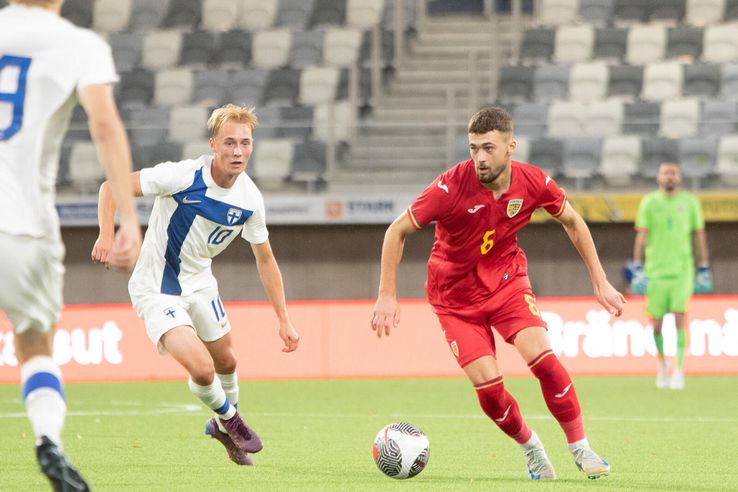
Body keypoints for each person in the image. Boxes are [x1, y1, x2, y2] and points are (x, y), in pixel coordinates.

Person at [371, 107, 625, 481]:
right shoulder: (449, 187)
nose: (479, 158)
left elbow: (572, 220)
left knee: (544, 361)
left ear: (511, 147)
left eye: (488, 148)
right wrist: (386, 293)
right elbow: (397, 231)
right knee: (490, 389)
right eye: (473, 148)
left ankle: (580, 448)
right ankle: (531, 448)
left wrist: (600, 280)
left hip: (507, 283)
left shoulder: (534, 182)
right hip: (454, 300)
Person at [92, 103, 300, 466]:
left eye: (245, 143)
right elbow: (112, 187)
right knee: (202, 369)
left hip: (201, 284)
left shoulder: (250, 200)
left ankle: (222, 427)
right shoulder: (183, 176)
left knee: (227, 361)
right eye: (230, 143)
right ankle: (231, 421)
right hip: (157, 288)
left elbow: (265, 258)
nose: (238, 152)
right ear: (213, 145)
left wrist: (283, 318)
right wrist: (107, 235)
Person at [0, 0, 142, 490]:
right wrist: (128, 218)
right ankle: (48, 442)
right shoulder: (79, 45)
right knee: (35, 342)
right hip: (23, 227)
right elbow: (104, 127)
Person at [632, 161, 710, 390]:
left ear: (680, 177)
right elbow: (641, 237)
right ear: (658, 177)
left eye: (673, 173)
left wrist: (703, 266)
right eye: (666, 173)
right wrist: (637, 266)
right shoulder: (649, 202)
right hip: (655, 272)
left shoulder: (690, 203)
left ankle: (678, 369)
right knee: (655, 324)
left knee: (679, 316)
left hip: (681, 271)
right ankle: (663, 365)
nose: (670, 177)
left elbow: (698, 237)